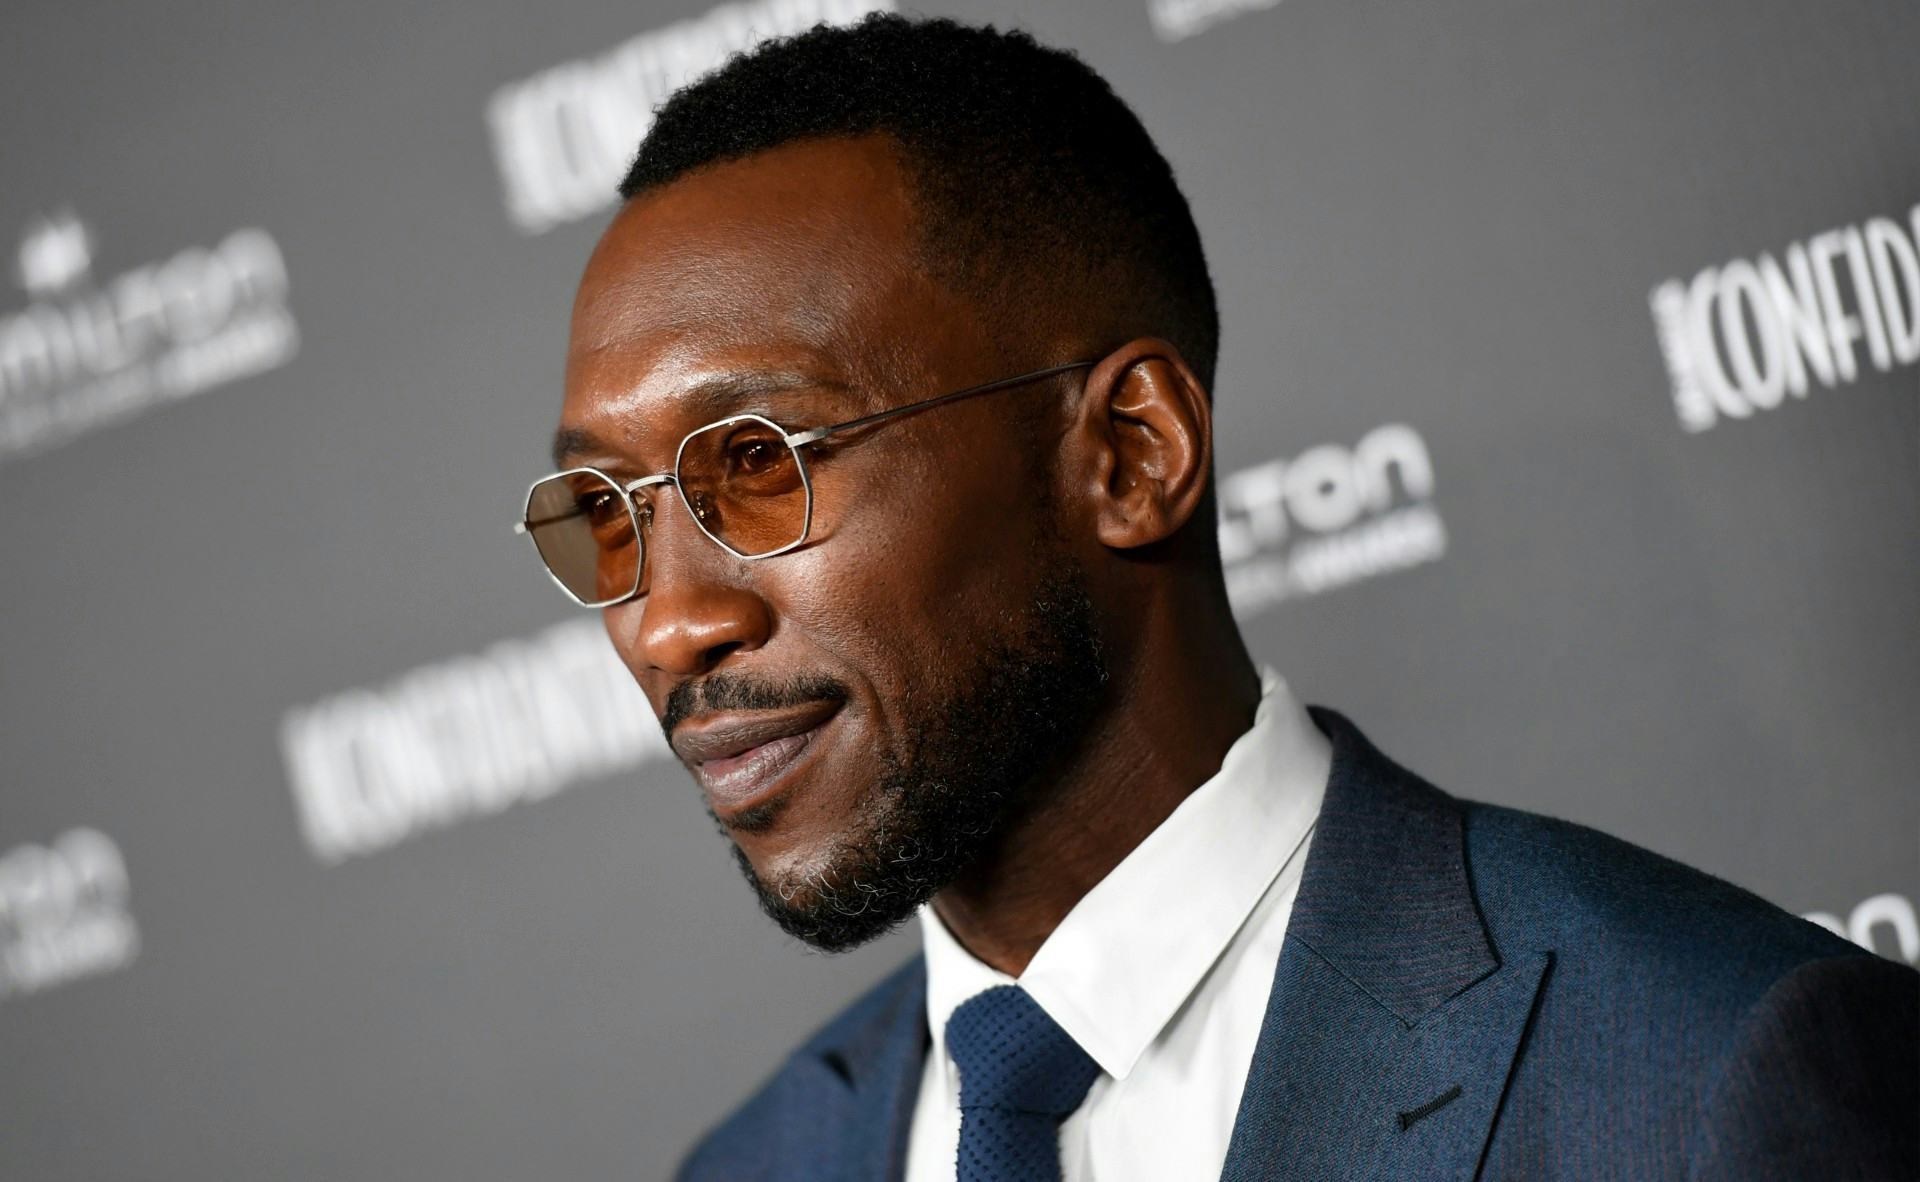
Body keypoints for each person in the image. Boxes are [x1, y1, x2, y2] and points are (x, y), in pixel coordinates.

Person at [514, 14, 1919, 1180]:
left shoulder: (1709, 1077)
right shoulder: (755, 1165)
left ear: (1131, 454)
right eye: (606, 511)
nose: (668, 623)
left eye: (759, 464)